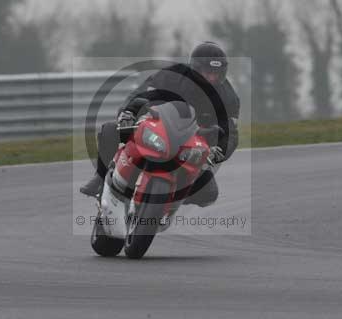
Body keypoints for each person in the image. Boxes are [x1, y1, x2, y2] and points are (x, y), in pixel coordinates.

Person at [80, 41, 240, 206]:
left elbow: (231, 133)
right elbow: (142, 93)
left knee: (208, 193)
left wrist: (220, 149)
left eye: (216, 73)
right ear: (195, 69)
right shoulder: (172, 76)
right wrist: (129, 111)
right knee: (111, 129)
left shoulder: (229, 98)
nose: (211, 78)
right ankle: (100, 177)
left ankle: (172, 200)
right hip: (158, 129)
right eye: (207, 72)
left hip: (191, 147)